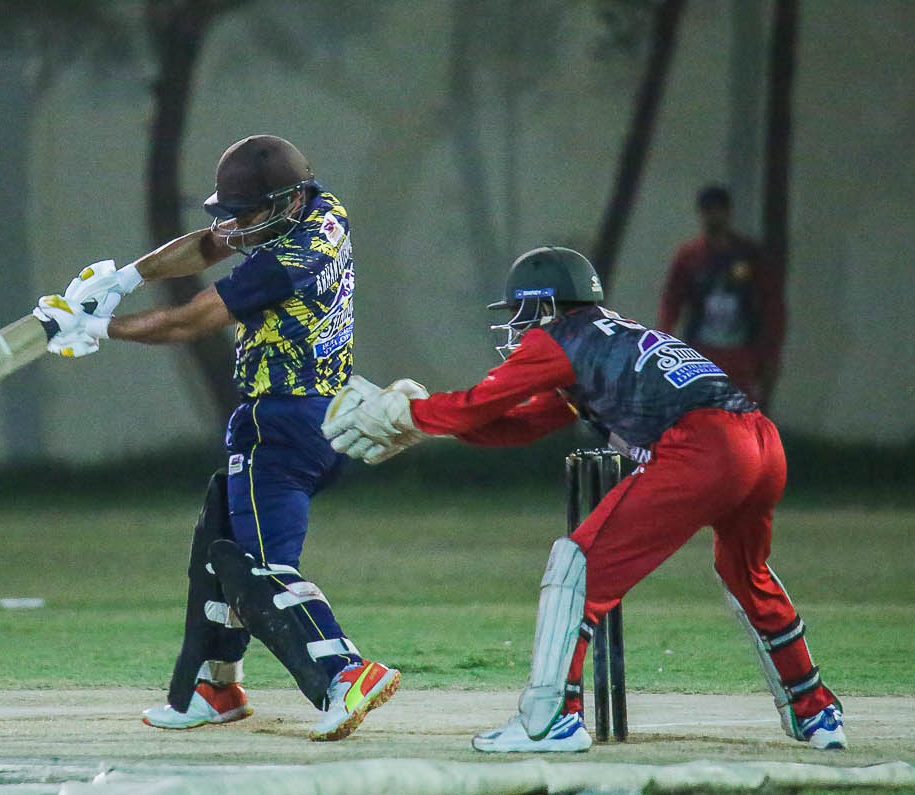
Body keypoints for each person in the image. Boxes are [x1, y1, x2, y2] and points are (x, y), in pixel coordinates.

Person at [322, 247, 844, 752]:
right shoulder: (608, 335)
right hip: (761, 443)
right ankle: (815, 710)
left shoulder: (559, 339)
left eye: (522, 312)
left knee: (576, 566)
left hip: (702, 447)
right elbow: (521, 424)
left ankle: (551, 720)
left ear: (547, 305)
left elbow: (476, 404)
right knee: (745, 572)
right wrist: (422, 425)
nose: (518, 326)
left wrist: (407, 413)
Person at [30, 135, 398, 741]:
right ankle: (213, 687)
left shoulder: (287, 260)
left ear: (286, 202)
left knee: (259, 569)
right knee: (216, 548)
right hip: (321, 414)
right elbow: (210, 243)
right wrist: (125, 277)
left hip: (281, 424)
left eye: (250, 213)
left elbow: (191, 320)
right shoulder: (321, 209)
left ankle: (345, 674)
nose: (239, 226)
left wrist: (99, 328)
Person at [657, 185, 785, 405]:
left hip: (740, 350)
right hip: (701, 348)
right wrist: (663, 340)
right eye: (708, 211)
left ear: (728, 213)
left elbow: (770, 302)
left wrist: (770, 349)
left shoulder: (748, 254)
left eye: (717, 210)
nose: (713, 217)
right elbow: (672, 300)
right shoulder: (689, 256)